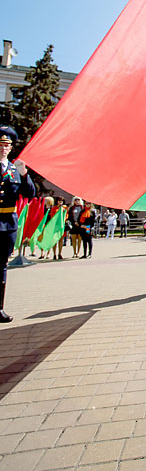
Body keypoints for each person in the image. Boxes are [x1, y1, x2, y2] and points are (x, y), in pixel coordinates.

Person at [0, 125, 35, 323]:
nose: (3, 148)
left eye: (6, 145)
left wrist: (23, 174)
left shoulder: (14, 170)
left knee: (2, 266)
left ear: (11, 147)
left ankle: (0, 308)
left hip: (8, 225)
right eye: (0, 145)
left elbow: (30, 193)